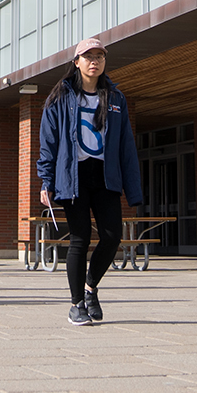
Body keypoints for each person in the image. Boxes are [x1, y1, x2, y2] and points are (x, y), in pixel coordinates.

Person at [38, 36, 143, 327]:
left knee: (112, 237)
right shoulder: (60, 97)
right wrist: (45, 180)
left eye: (99, 56)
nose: (94, 61)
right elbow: (48, 142)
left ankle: (90, 287)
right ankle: (76, 305)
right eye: (88, 56)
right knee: (80, 239)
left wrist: (133, 189)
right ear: (77, 62)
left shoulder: (115, 98)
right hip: (72, 177)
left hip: (106, 176)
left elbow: (126, 146)